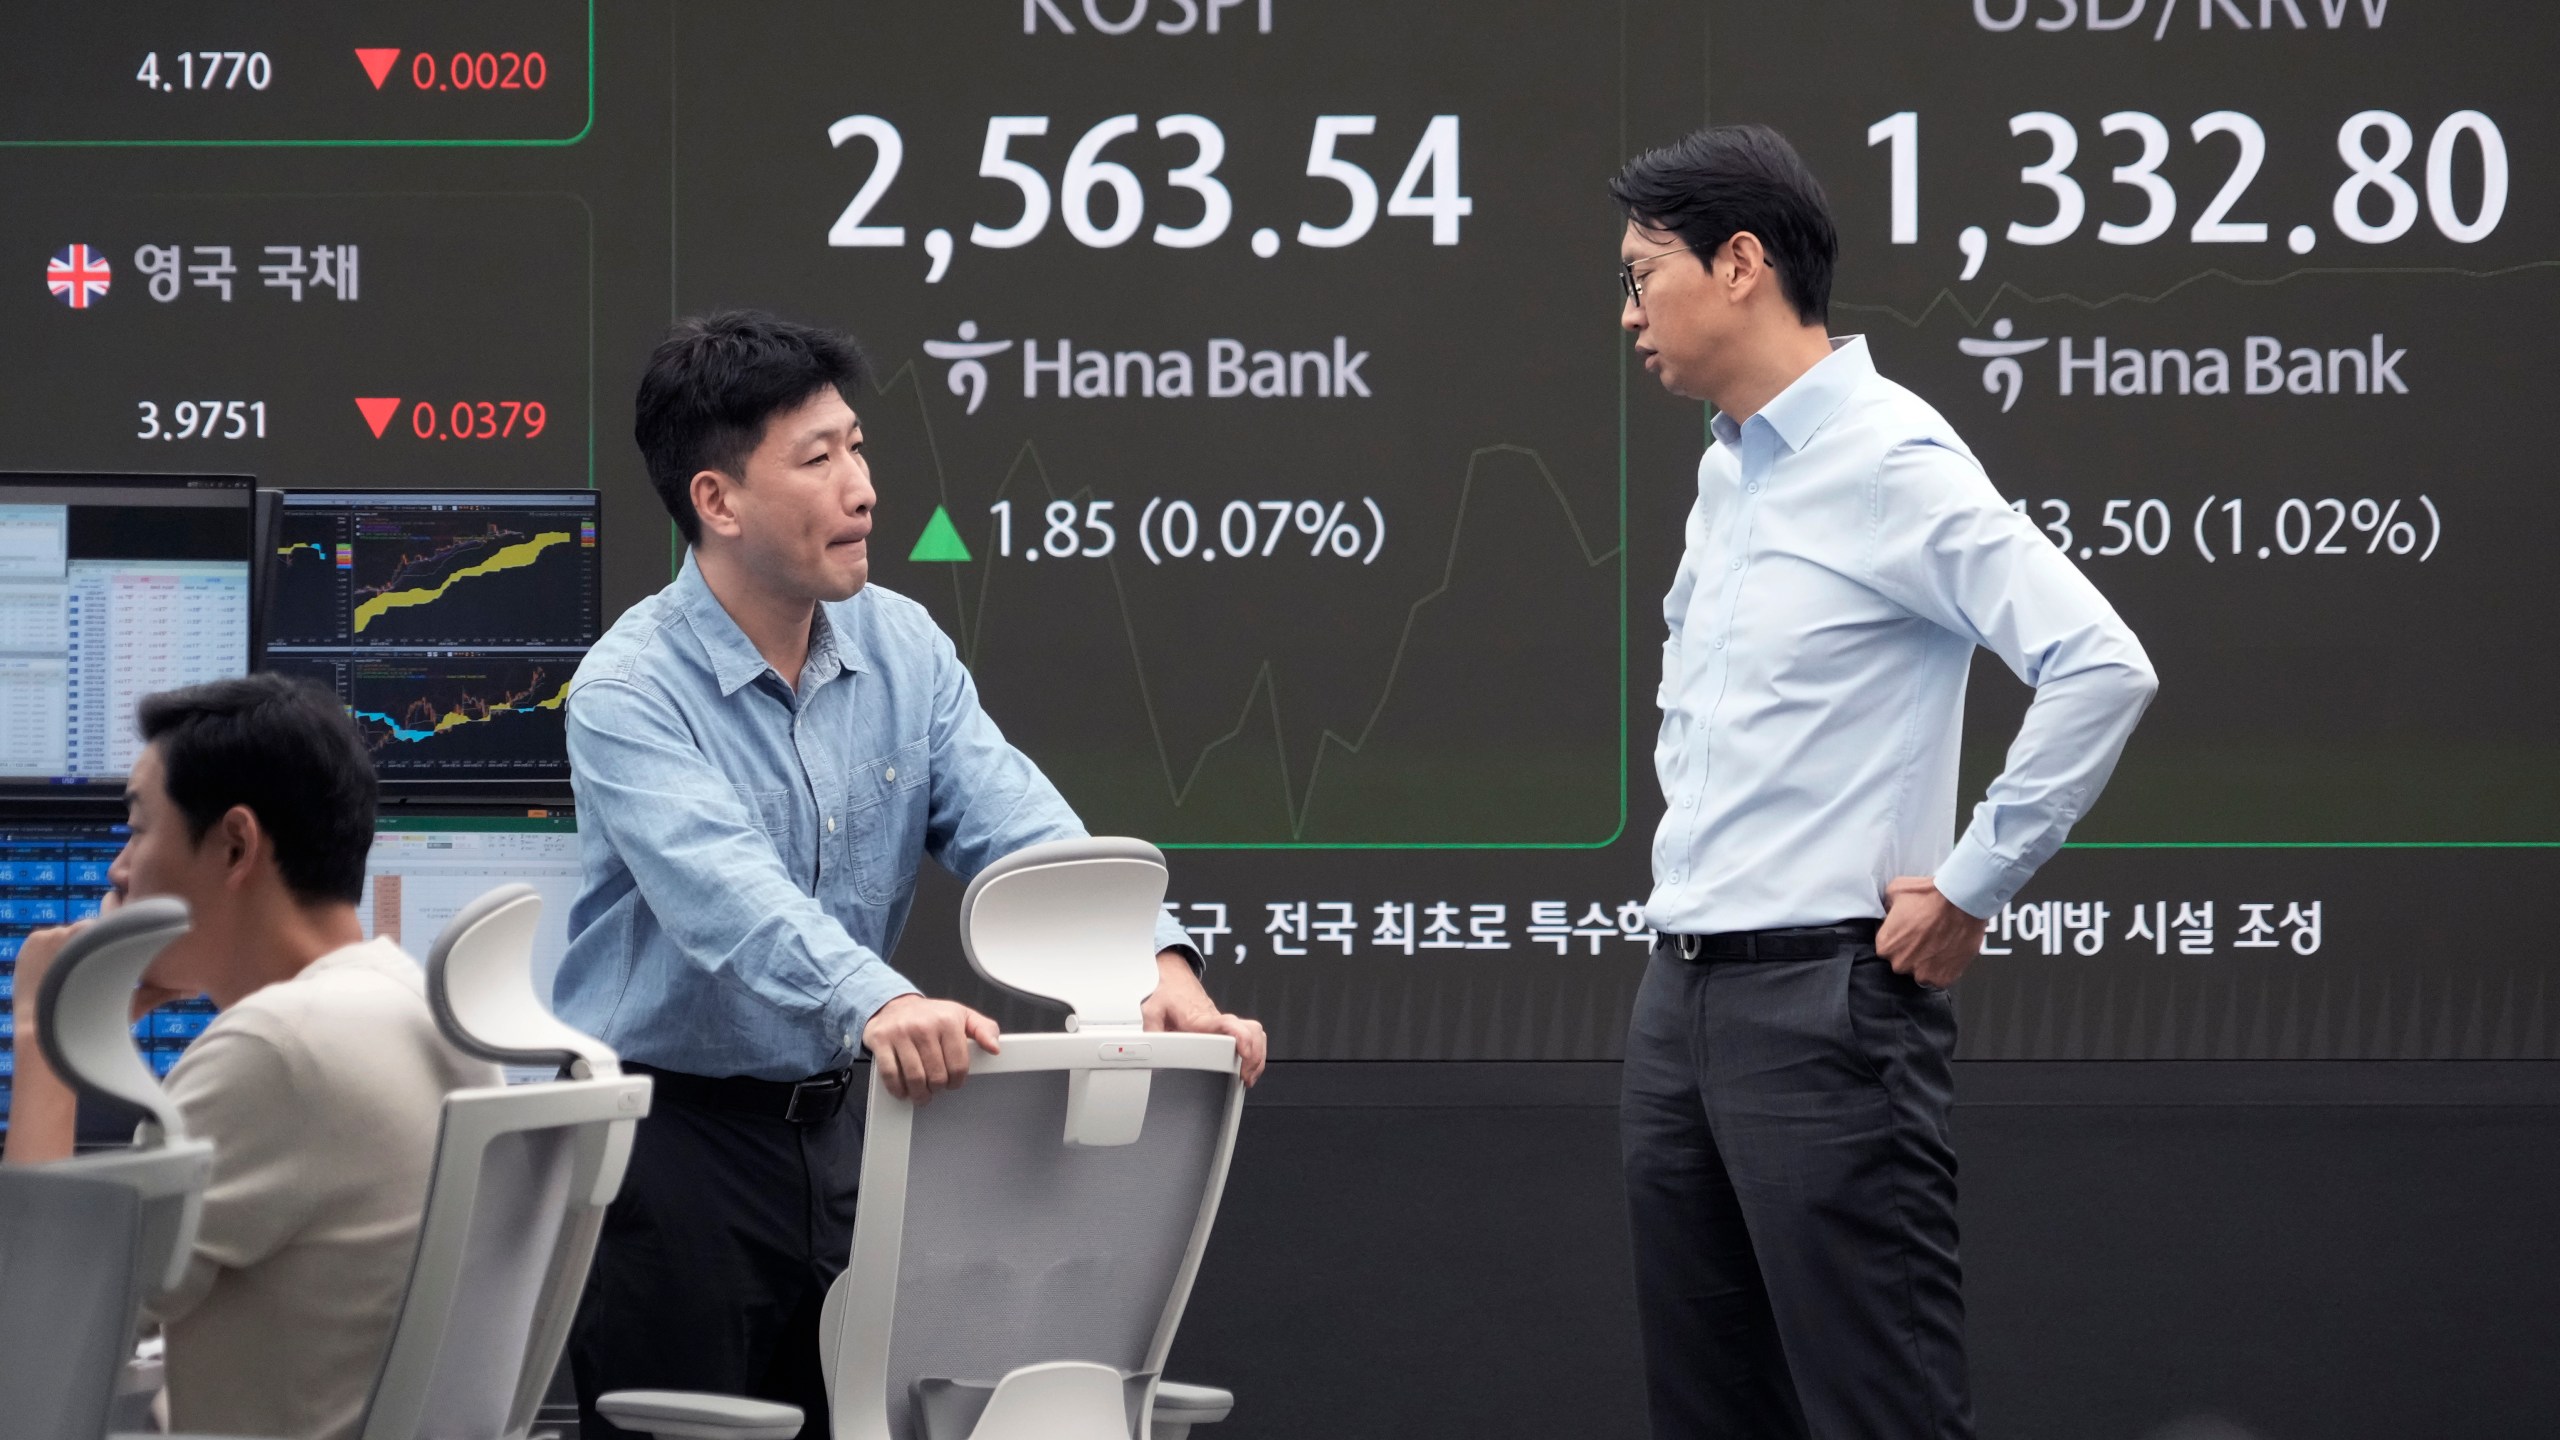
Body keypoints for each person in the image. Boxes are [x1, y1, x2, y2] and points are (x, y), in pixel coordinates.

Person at [558, 310, 1267, 1439]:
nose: (862, 487)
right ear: (716, 501)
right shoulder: (628, 691)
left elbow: (1021, 827)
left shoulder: (903, 646)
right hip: (668, 1155)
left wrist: (1151, 958)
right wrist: (878, 998)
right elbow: (727, 898)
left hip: (851, 1137)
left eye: (858, 446)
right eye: (817, 458)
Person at [1612, 126, 2157, 1438]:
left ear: (1740, 264)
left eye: (1643, 275)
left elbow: (2101, 662)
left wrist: (1970, 886)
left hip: (1826, 1004)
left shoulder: (1889, 455)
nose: (1628, 314)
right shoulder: (1728, 465)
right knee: (1711, 1410)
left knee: (1875, 1411)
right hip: (1679, 994)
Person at [1, 674, 503, 1440]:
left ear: (235, 843)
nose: (116, 871)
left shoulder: (275, 1050)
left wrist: (46, 1032)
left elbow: (31, 1351)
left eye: (138, 830)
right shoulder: (418, 1007)